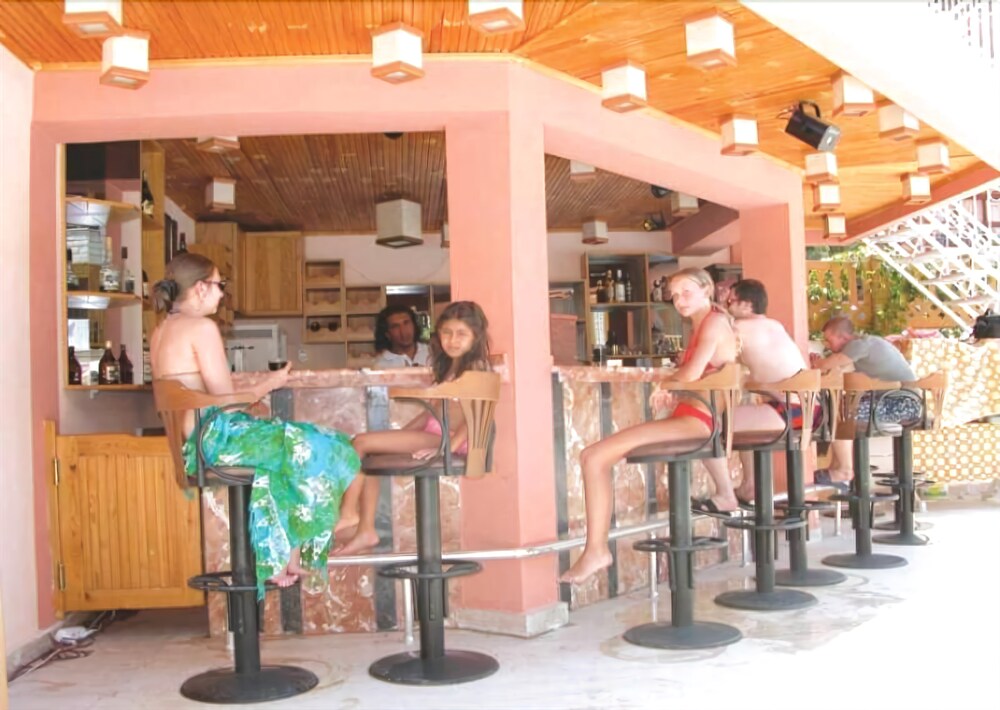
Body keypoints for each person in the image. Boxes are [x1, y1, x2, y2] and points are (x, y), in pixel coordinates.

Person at [150, 253, 360, 594]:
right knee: (324, 442)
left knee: (285, 452)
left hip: (195, 444)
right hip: (217, 438)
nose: (222, 294)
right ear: (200, 288)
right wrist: (270, 383)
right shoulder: (201, 327)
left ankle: (286, 554)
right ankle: (327, 529)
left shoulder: (161, 330)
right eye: (219, 285)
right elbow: (226, 399)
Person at [559, 268, 740, 584]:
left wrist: (666, 385)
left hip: (698, 423)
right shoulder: (702, 323)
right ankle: (596, 550)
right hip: (692, 419)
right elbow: (696, 375)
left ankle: (597, 551)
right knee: (593, 457)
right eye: (674, 295)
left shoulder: (713, 323)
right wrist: (674, 384)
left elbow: (692, 373)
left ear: (707, 289)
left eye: (686, 292)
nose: (679, 300)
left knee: (593, 457)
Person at [333, 301, 493, 556]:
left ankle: (350, 515)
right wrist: (397, 436)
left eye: (461, 334)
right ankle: (365, 529)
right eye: (447, 333)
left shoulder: (477, 368)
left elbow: (479, 420)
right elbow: (430, 411)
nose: (452, 340)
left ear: (476, 336)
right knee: (369, 449)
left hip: (450, 439)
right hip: (436, 434)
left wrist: (445, 450)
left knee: (360, 443)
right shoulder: (451, 366)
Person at [695, 279, 817, 513]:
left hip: (790, 411)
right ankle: (750, 485)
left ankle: (725, 495)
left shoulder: (739, 329)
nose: (727, 305)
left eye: (730, 300)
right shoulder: (774, 325)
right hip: (809, 409)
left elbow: (711, 357)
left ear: (747, 305)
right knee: (738, 422)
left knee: (705, 427)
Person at [809, 316, 919, 488]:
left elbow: (830, 364)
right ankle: (838, 468)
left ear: (843, 337)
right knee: (837, 410)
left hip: (902, 403)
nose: (827, 345)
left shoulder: (859, 345)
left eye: (829, 340)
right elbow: (837, 371)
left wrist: (818, 363)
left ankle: (844, 470)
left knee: (842, 414)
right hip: (899, 400)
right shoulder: (866, 346)